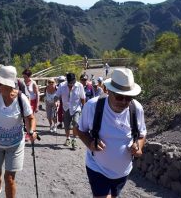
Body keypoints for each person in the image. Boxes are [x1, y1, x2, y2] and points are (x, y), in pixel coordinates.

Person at [77, 68, 147, 198]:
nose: (124, 102)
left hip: (123, 172)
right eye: (120, 97)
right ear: (108, 91)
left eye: (128, 98)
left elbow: (142, 134)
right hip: (97, 168)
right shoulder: (93, 106)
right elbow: (80, 130)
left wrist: (139, 147)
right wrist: (90, 143)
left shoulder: (136, 108)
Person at [0, 65, 37, 198]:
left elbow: (30, 118)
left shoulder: (21, 99)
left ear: (9, 84)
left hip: (15, 144)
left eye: (0, 82)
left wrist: (31, 131)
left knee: (9, 178)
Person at [55, 72, 85, 150]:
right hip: (66, 108)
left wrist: (84, 108)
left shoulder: (79, 86)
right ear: (67, 81)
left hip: (76, 108)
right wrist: (56, 102)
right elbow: (57, 96)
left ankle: (74, 139)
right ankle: (68, 138)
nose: (72, 84)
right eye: (70, 83)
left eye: (73, 82)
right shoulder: (62, 86)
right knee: (67, 125)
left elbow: (82, 97)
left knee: (75, 123)